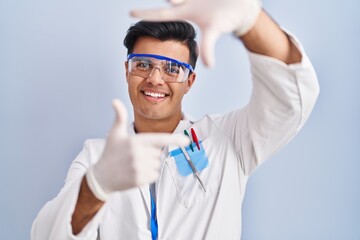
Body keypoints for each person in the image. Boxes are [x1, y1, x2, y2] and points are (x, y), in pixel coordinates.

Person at [31, 0, 320, 239]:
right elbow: (47, 235)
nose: (155, 79)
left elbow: (290, 101)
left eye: (172, 68)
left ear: (190, 81)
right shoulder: (97, 157)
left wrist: (250, 20)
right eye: (142, 64)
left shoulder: (229, 140)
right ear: (127, 71)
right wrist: (96, 186)